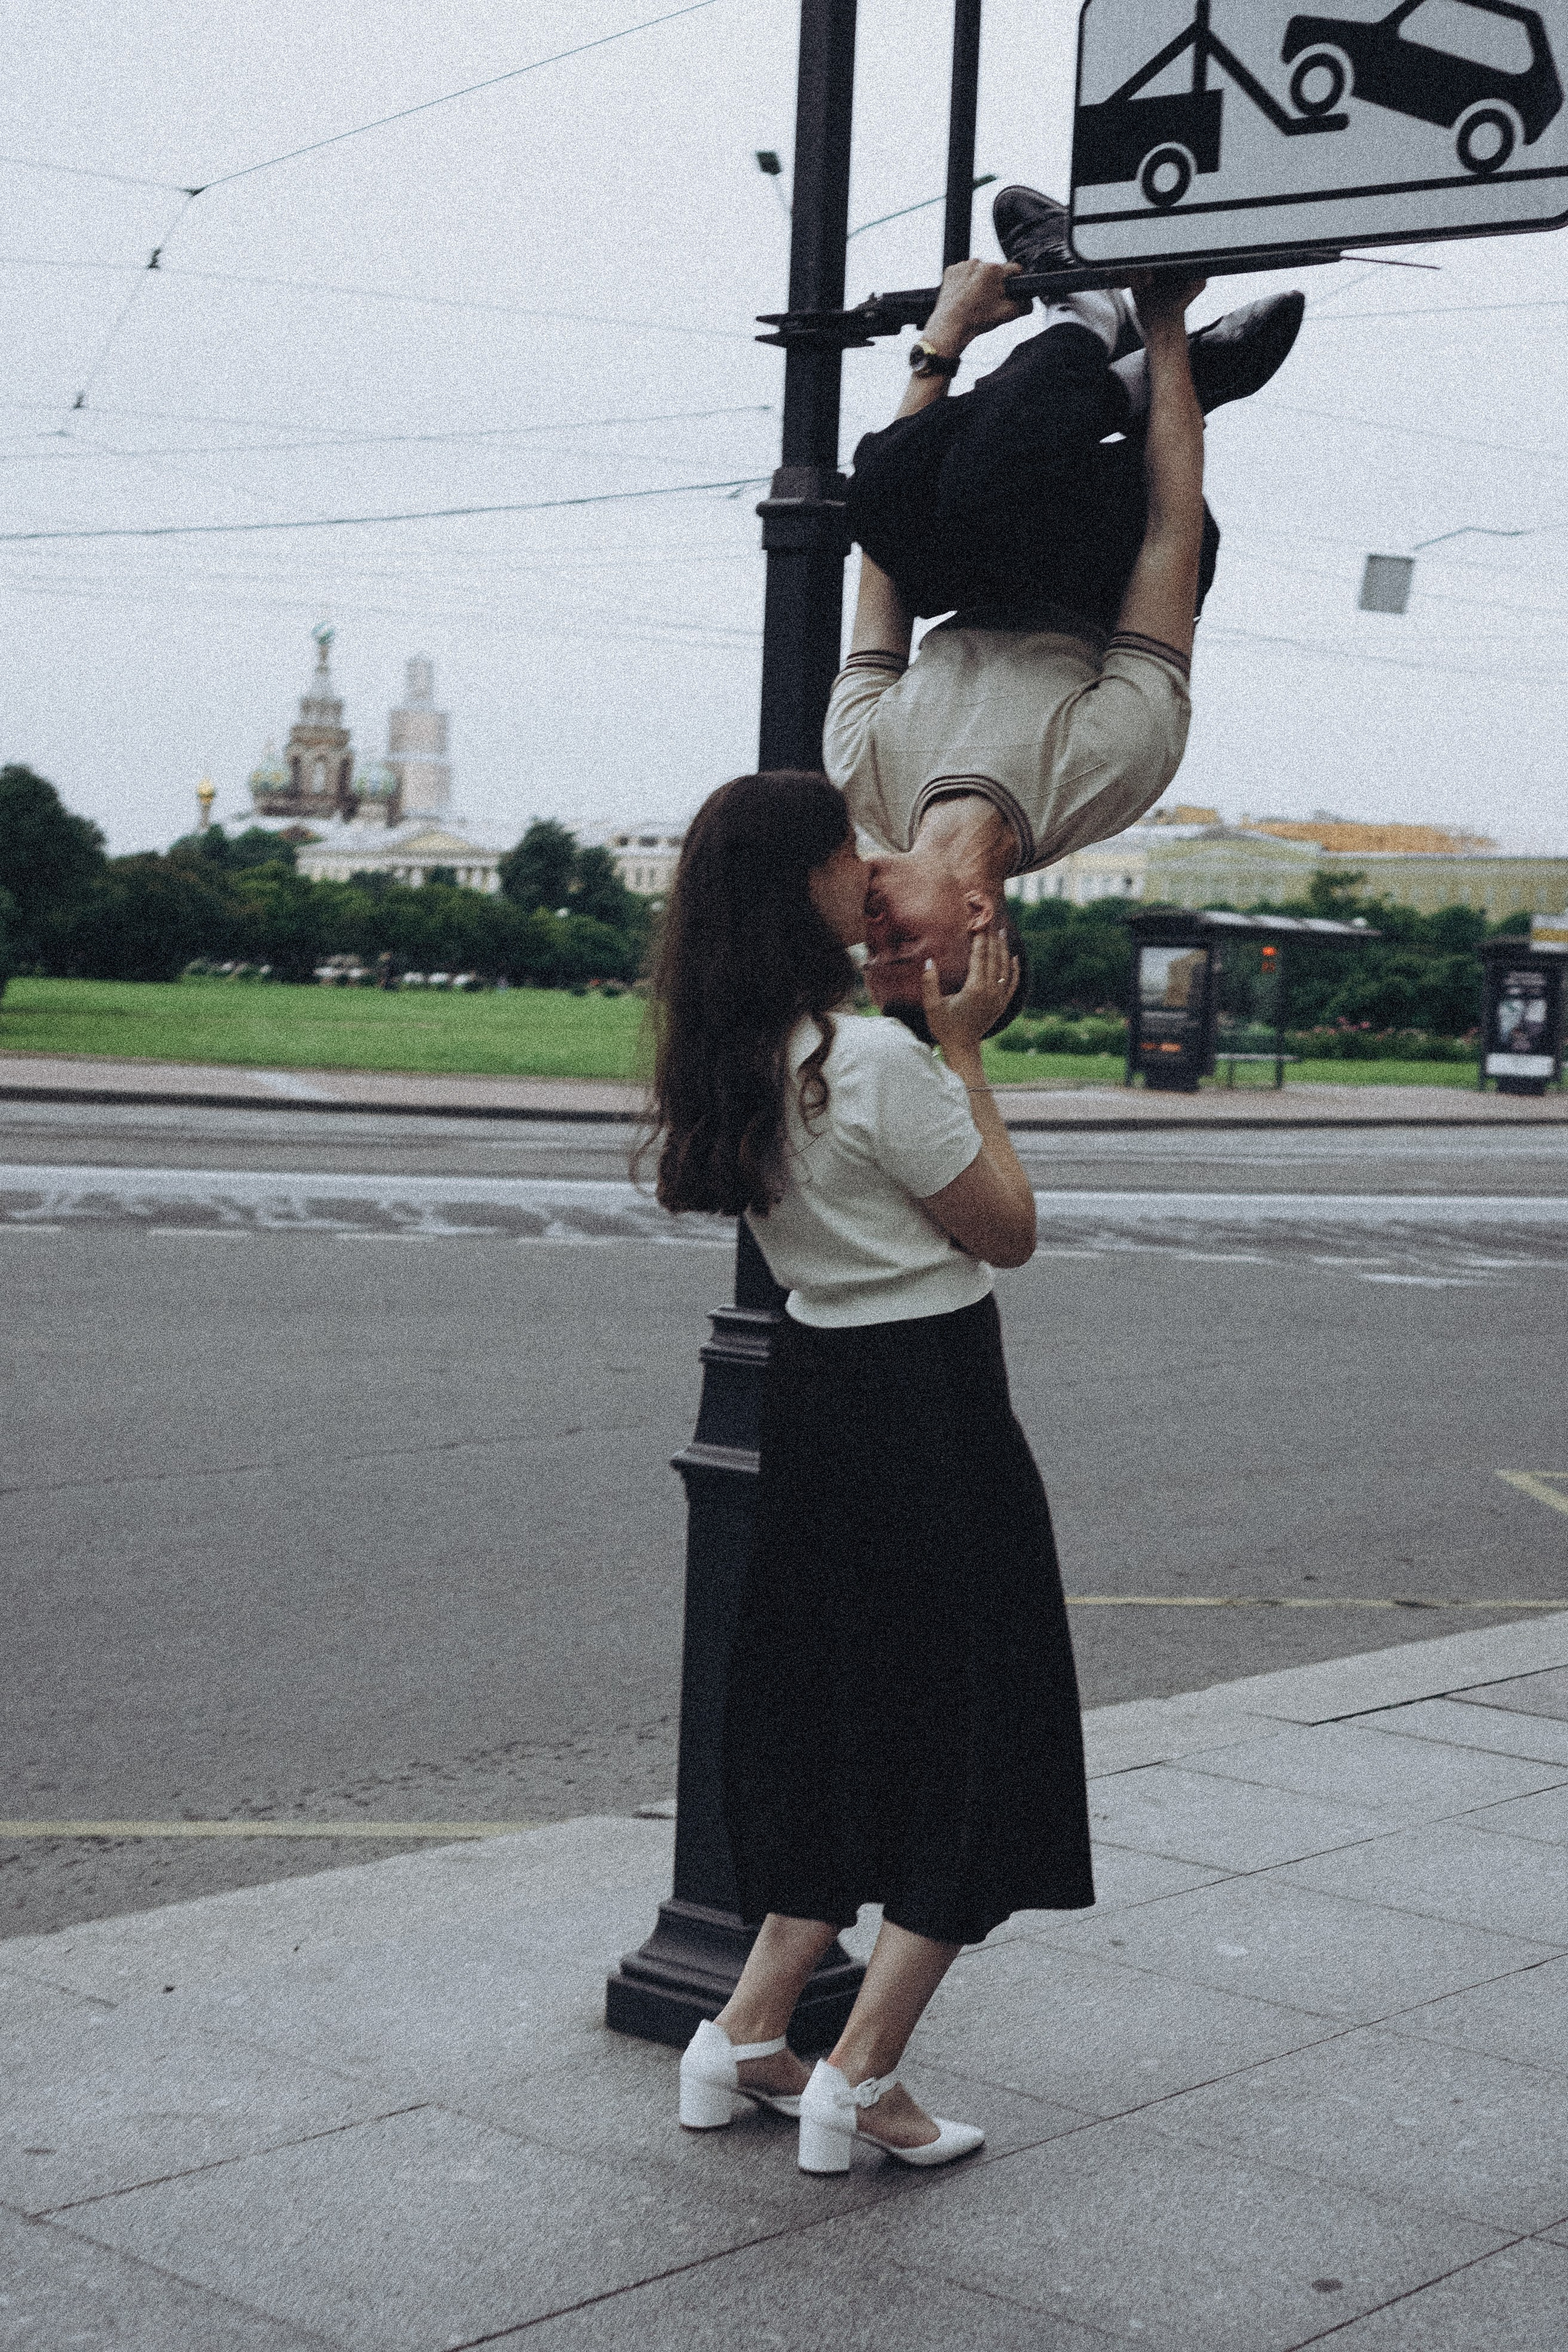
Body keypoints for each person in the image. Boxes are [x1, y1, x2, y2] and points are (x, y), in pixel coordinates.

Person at [649, 768, 1093, 2174]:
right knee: (977, 1723)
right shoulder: (881, 1063)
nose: (874, 866)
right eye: (851, 850)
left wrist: (901, 1016)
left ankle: (745, 2038)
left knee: (841, 1717)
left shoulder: (736, 1052)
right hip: (933, 1410)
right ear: (806, 886)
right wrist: (960, 1044)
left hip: (816, 1402)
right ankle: (863, 2073)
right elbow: (1006, 1230)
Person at [825, 187, 1305, 1022]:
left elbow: (883, 562)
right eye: (905, 945)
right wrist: (1163, 322)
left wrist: (946, 338)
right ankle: (1100, 328)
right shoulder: (1104, 780)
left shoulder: (859, 778)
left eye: (875, 956)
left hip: (982, 547)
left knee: (883, 496)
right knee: (982, 483)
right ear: (980, 918)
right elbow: (1171, 537)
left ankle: (1117, 372)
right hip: (1113, 549)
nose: (876, 936)